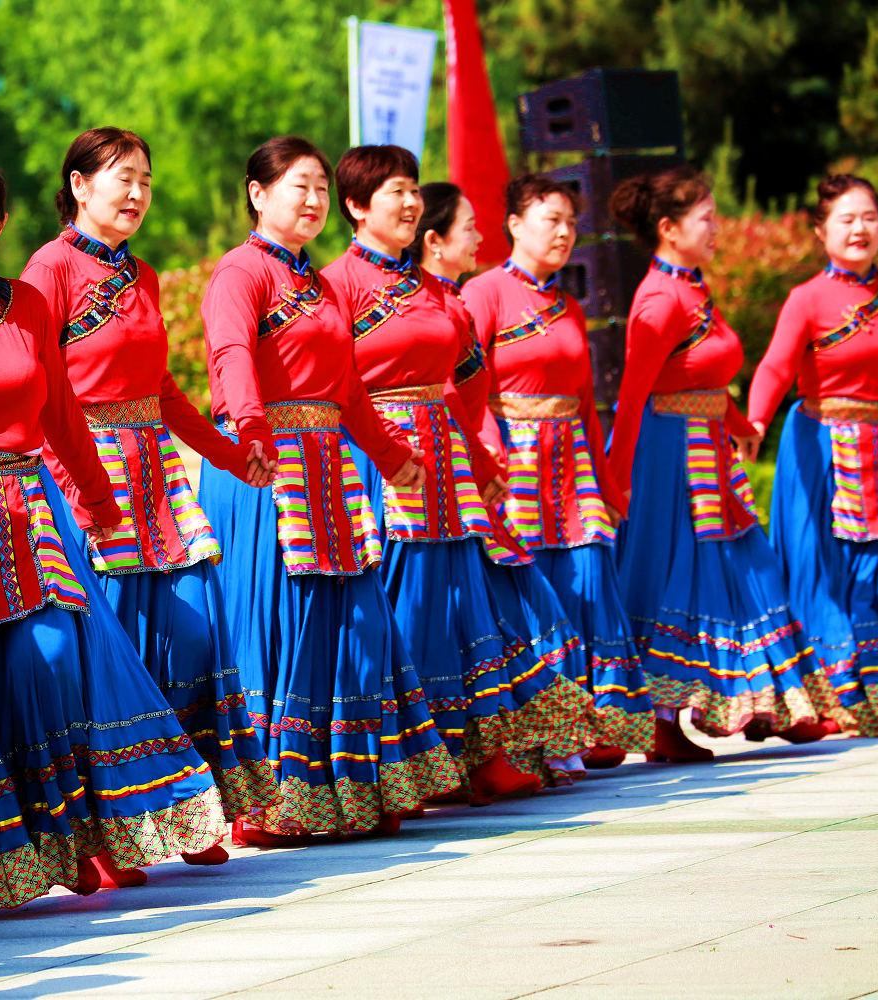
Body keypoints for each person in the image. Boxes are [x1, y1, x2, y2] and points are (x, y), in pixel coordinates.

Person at [0, 156, 226, 920]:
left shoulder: (26, 305)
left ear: (0, 227)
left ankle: (61, 839)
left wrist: (97, 500)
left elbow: (59, 411)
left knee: (53, 662)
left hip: (30, 509)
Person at [18, 128, 280, 865]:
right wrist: (76, 492)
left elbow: (161, 391)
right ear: (78, 186)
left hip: (156, 470)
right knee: (114, 652)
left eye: (145, 181)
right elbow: (39, 391)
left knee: (192, 637)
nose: (136, 194)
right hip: (84, 469)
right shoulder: (48, 271)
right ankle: (111, 831)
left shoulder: (145, 276)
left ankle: (189, 810)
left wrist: (230, 454)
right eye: (121, 179)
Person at [197, 135, 461, 845]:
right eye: (299, 187)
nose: (312, 201)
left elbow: (345, 383)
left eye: (319, 188)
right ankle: (272, 803)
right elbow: (229, 356)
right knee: (286, 624)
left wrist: (388, 453)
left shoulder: (317, 283)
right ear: (258, 195)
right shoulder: (239, 273)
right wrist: (251, 431)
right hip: (267, 468)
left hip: (329, 463)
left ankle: (348, 790)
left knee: (354, 624)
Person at [323, 147, 599, 794]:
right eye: (396, 190)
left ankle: (476, 751)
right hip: (378, 460)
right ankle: (406, 760)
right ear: (359, 207)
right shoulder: (337, 284)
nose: (411, 201)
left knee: (463, 601)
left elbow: (466, 380)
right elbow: (328, 382)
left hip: (445, 460)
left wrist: (478, 455)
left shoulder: (433, 289)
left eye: (414, 189)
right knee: (403, 604)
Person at [604, 165, 829, 757]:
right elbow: (633, 394)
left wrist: (739, 425)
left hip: (709, 444)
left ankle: (766, 702)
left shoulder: (693, 286)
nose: (717, 229)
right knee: (679, 575)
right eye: (706, 219)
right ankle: (663, 719)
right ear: (669, 228)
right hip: (672, 456)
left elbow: (703, 375)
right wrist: (617, 478)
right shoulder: (658, 299)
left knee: (742, 566)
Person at [457, 175, 655, 765]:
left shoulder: (570, 306)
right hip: (512, 459)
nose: (565, 233)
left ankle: (599, 723)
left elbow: (587, 401)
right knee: (532, 591)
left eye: (571, 222)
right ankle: (543, 735)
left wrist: (609, 481)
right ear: (515, 225)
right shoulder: (484, 293)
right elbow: (467, 388)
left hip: (572, 465)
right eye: (552, 219)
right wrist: (484, 456)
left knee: (590, 575)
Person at [749, 174, 878, 737]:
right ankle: (828, 701)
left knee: (874, 573)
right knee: (816, 570)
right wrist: (755, 419)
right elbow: (777, 366)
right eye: (846, 219)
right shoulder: (807, 298)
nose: (859, 228)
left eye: (870, 217)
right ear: (820, 230)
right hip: (820, 451)